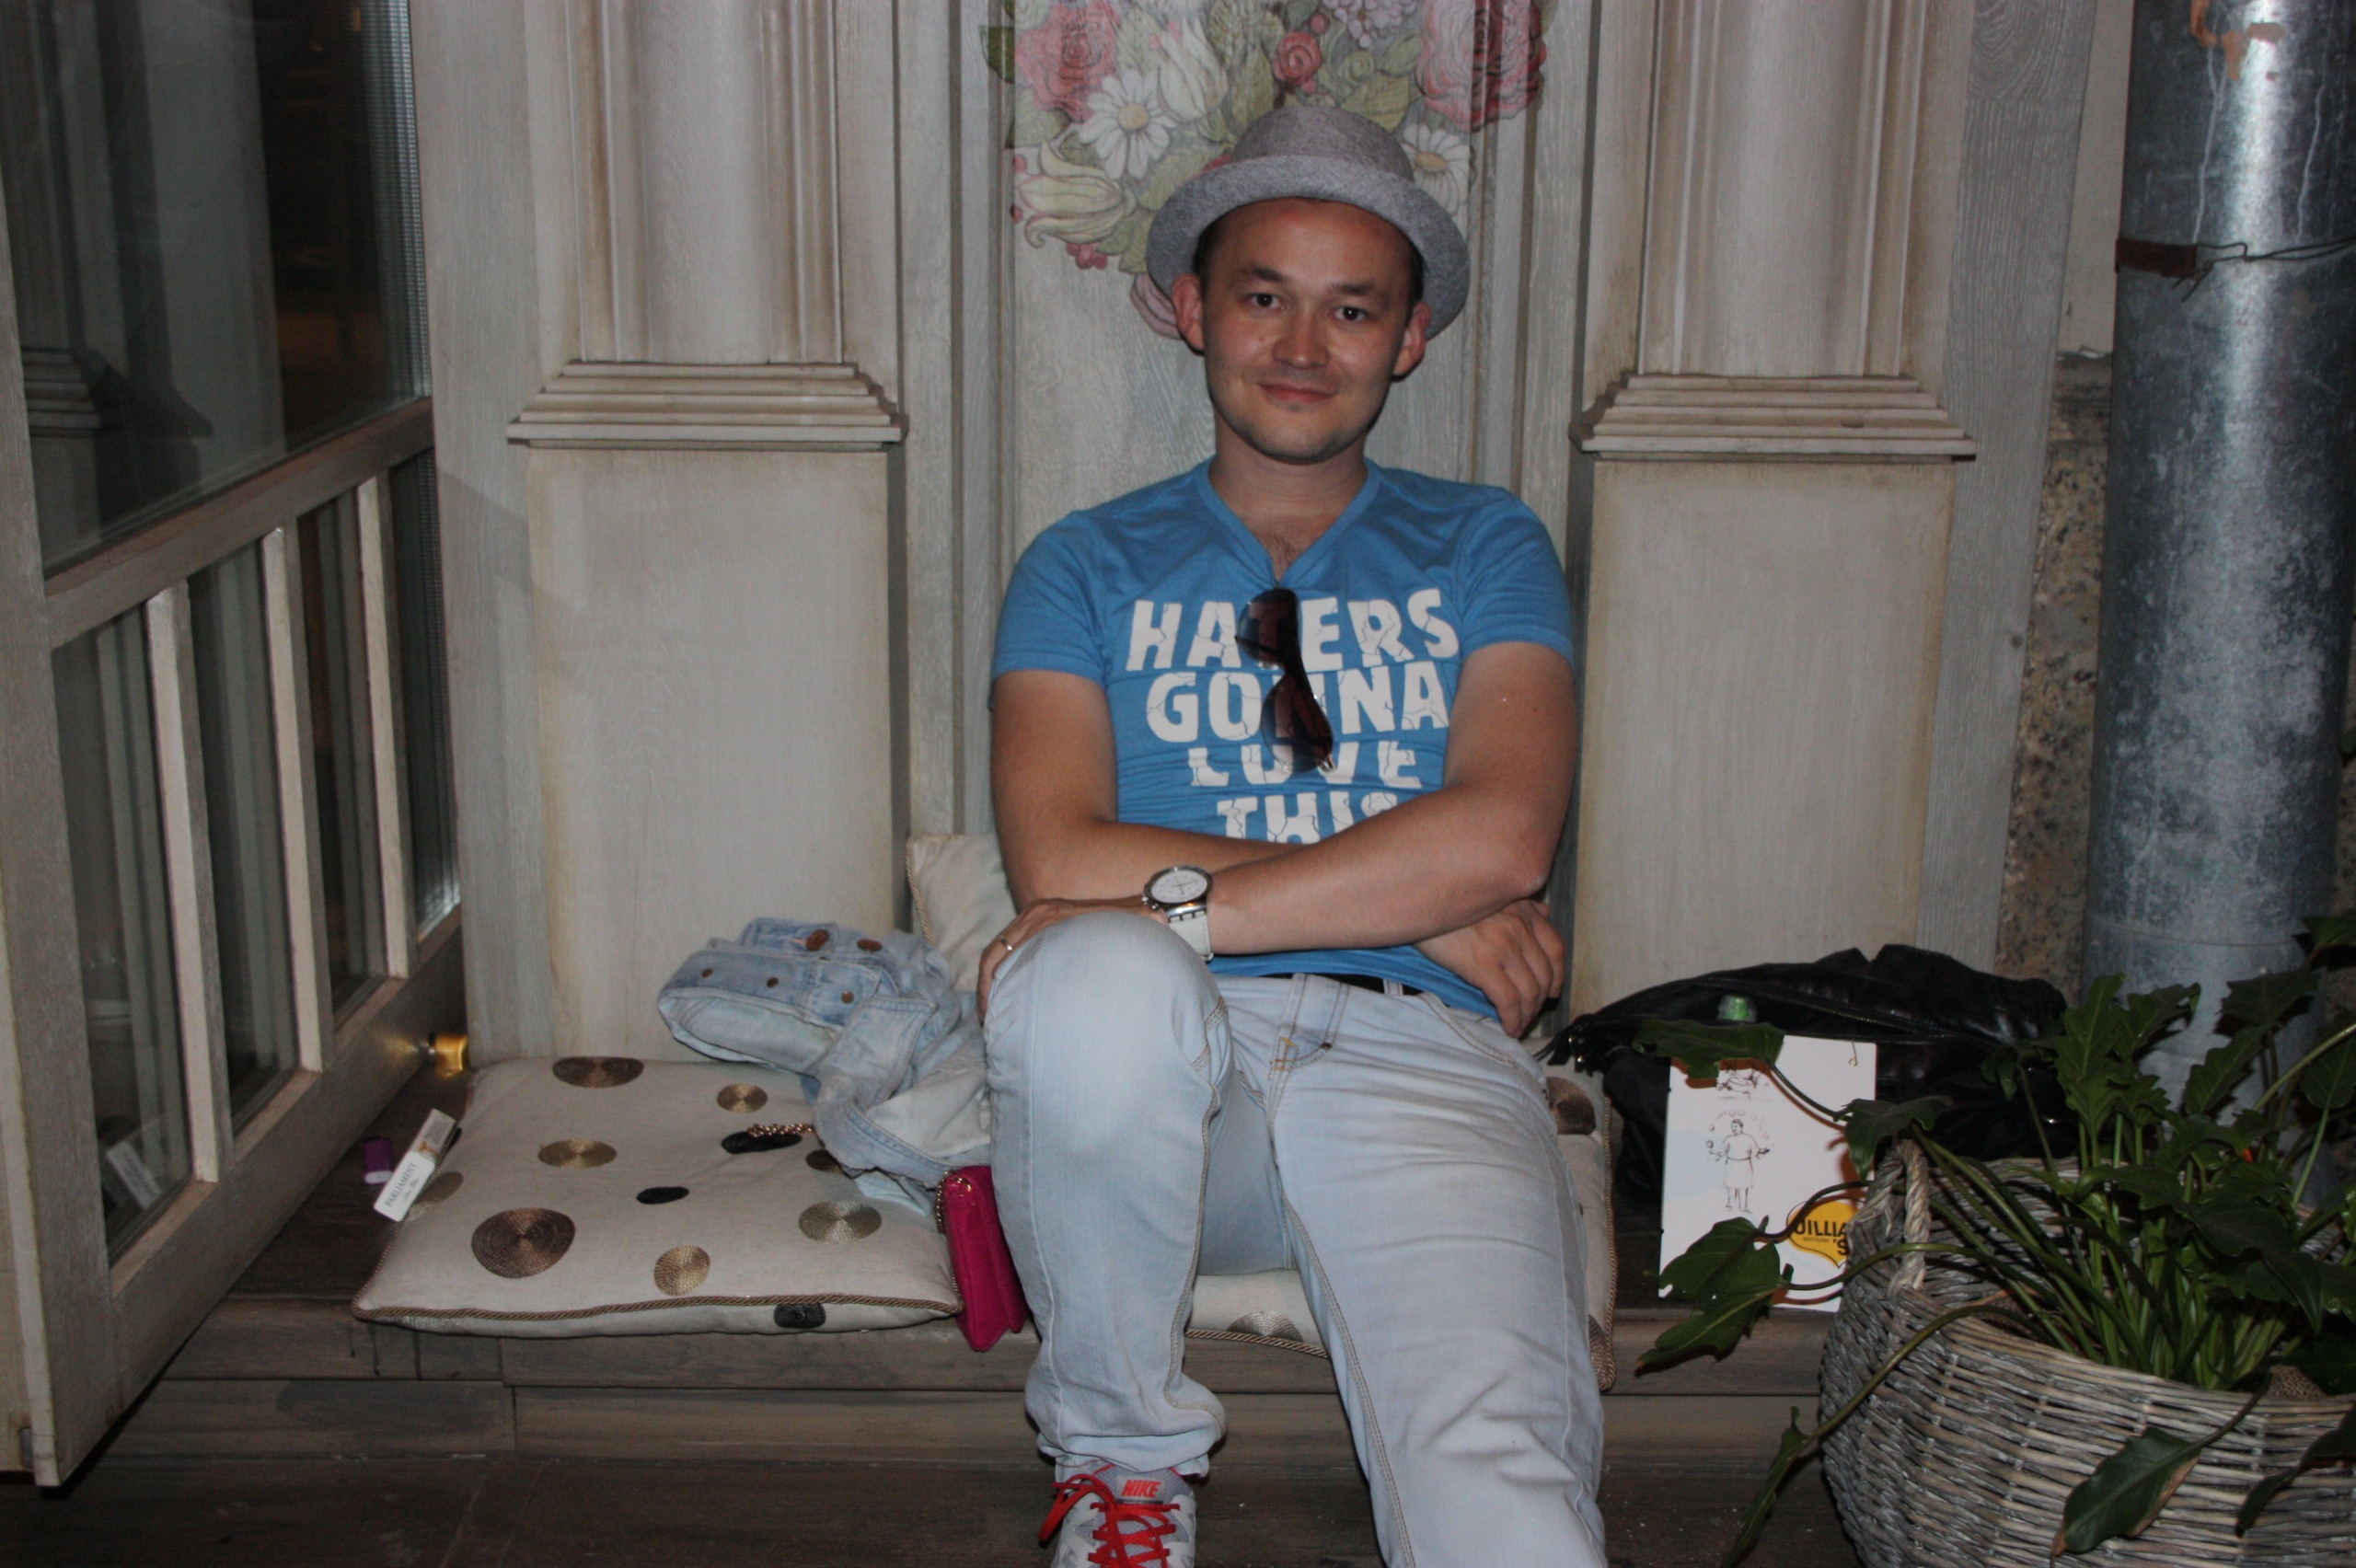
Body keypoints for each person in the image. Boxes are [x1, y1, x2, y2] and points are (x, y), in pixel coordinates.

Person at [980, 106, 1604, 1568]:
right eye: (1265, 297)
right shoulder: (1081, 563)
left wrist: (1187, 900)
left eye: (1353, 308)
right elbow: (1058, 862)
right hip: (1169, 1087)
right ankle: (1122, 1470)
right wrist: (1413, 892)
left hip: (1421, 1061)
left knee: (1510, 1522)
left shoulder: (1488, 543)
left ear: (1411, 338)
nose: (1305, 347)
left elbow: (1505, 837)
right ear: (1193, 310)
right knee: (1094, 975)